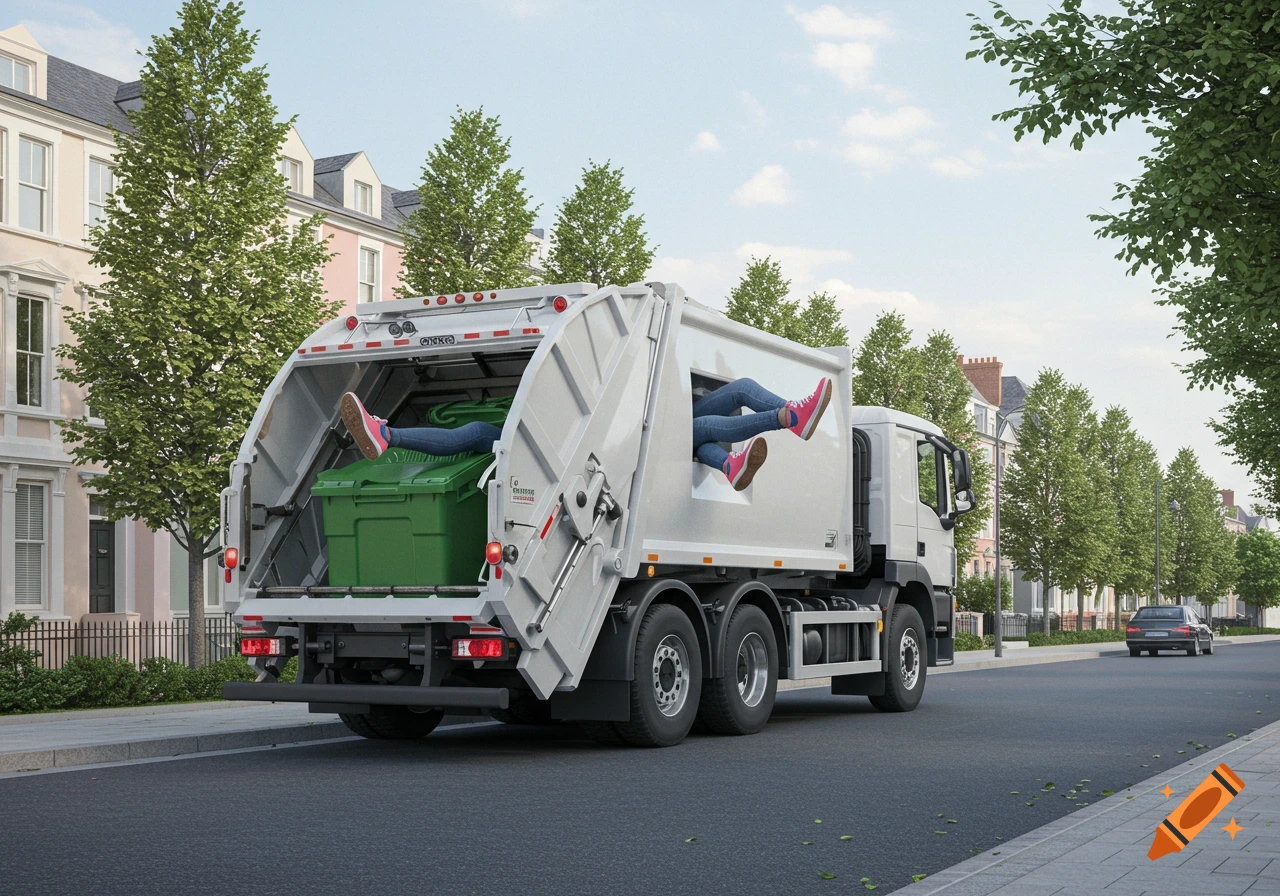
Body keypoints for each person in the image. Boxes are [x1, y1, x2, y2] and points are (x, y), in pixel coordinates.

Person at [339, 375, 831, 492]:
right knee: (696, 429)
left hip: (627, 426)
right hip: (601, 446)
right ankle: (783, 421)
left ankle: (735, 459)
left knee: (737, 390)